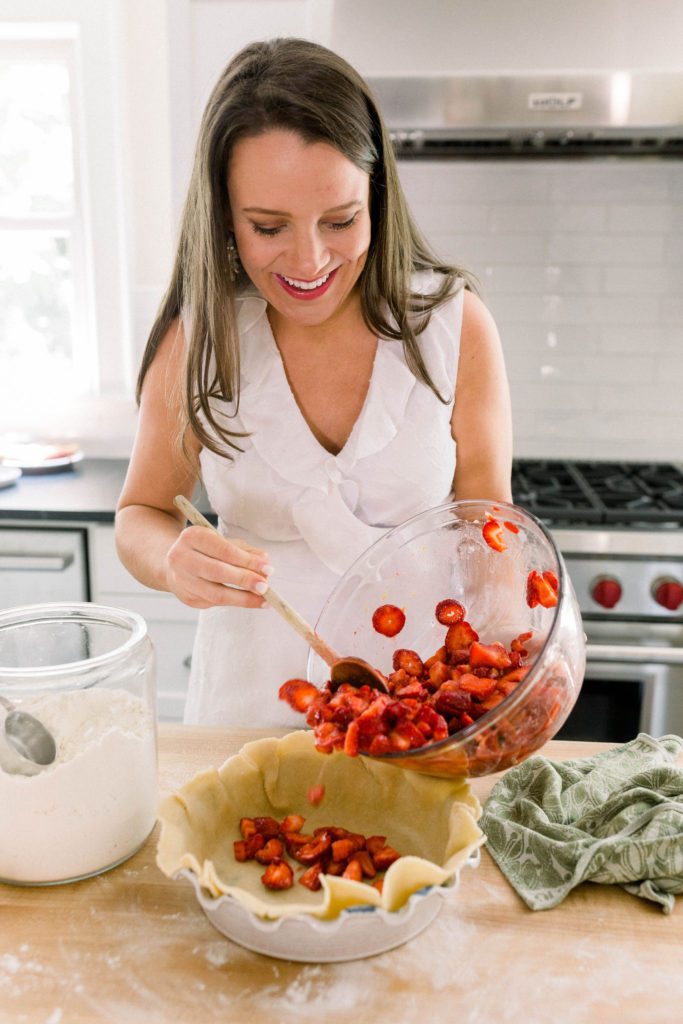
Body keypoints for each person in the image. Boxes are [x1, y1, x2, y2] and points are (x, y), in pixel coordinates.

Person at [115, 37, 513, 728]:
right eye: (268, 226)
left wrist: (510, 654)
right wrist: (170, 560)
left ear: (376, 198)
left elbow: (489, 517)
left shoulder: (454, 325)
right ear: (224, 217)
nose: (309, 260)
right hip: (243, 713)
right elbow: (139, 516)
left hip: (421, 710)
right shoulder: (197, 341)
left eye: (340, 220)